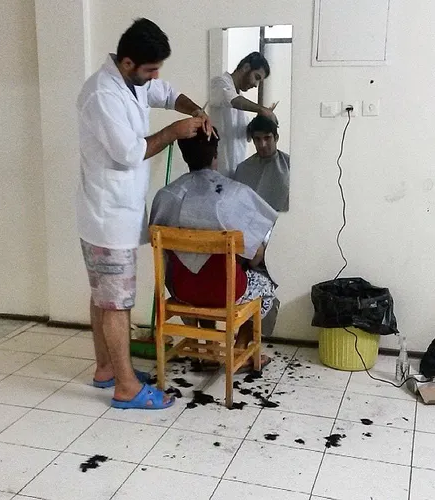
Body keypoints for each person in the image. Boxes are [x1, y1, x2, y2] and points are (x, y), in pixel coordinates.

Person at [76, 18, 213, 410]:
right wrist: (173, 132)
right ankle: (125, 387)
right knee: (117, 304)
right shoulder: (104, 94)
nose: (155, 77)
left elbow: (166, 93)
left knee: (104, 296)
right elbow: (129, 152)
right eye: (150, 70)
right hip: (108, 216)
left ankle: (106, 368)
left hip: (112, 212)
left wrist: (196, 110)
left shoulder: (131, 80)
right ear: (128, 62)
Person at [149, 127, 278, 369]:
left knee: (191, 267)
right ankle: (240, 348)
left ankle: (205, 347)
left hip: (182, 290)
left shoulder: (165, 195)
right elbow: (254, 256)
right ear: (215, 155)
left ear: (185, 156)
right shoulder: (235, 194)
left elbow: (164, 253)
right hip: (225, 292)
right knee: (265, 285)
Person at [210, 52, 277, 178]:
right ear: (246, 67)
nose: (256, 85)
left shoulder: (240, 99)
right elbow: (231, 99)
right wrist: (262, 110)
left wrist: (261, 122)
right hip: (216, 171)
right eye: (256, 77)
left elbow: (243, 133)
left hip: (235, 173)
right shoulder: (219, 83)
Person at [234, 115, 290, 212]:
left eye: (267, 138)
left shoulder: (291, 165)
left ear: (276, 138)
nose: (262, 145)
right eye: (257, 139)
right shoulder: (243, 169)